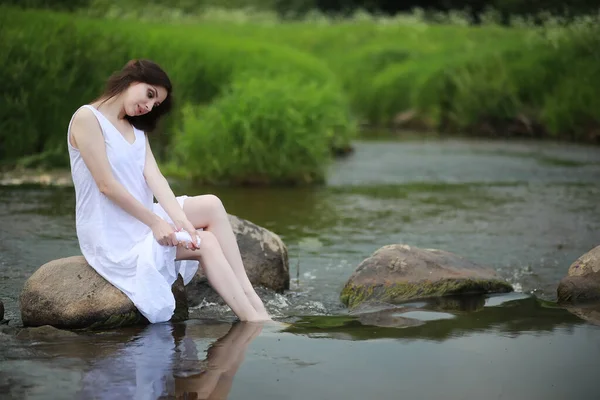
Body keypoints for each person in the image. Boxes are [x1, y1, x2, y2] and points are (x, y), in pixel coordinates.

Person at [67, 59, 271, 323]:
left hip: (137, 217)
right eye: (150, 95)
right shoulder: (87, 117)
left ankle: (248, 293)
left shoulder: (134, 128)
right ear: (132, 79)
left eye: (155, 104)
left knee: (211, 204)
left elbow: (156, 179)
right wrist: (156, 223)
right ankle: (254, 322)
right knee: (206, 242)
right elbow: (106, 185)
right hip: (111, 230)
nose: (148, 106)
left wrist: (181, 222)